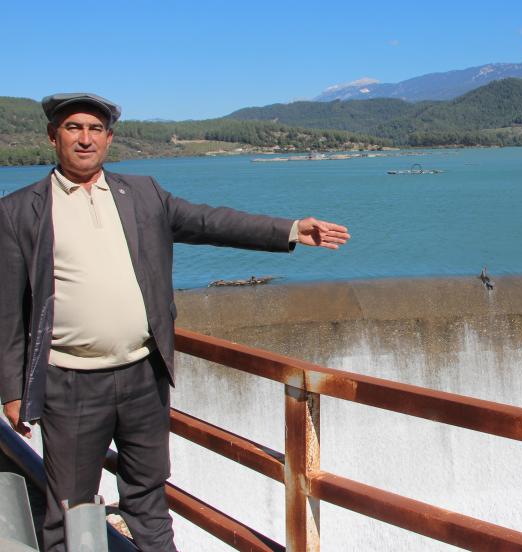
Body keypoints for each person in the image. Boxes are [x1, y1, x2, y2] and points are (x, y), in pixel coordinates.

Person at [0, 92, 350, 551]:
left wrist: (290, 229)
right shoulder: (19, 211)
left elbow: (208, 222)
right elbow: (8, 309)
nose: (85, 139)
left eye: (95, 129)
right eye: (74, 128)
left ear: (109, 139)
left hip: (144, 376)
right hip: (70, 383)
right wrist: (12, 391)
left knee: (148, 497)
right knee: (70, 507)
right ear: (53, 136)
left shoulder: (142, 194)